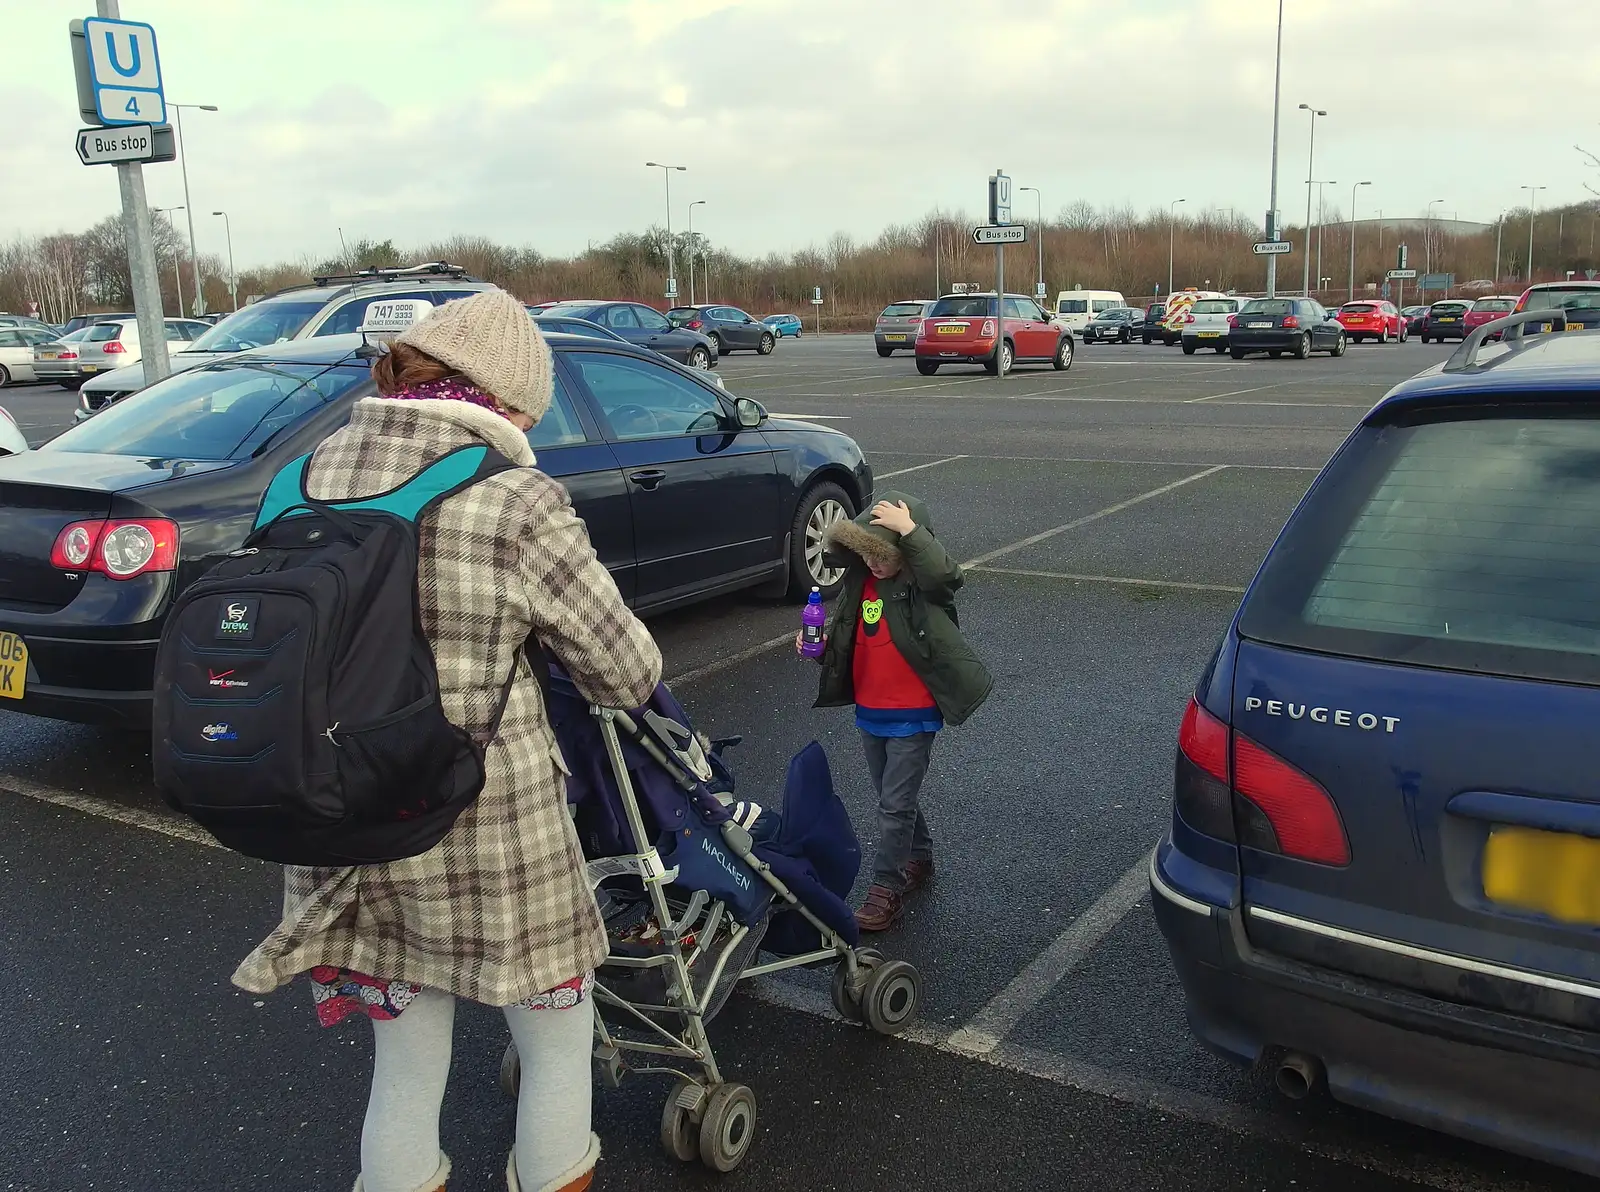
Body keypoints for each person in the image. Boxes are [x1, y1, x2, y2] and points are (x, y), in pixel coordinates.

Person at [232, 290, 662, 1192]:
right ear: (503, 403)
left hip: (341, 823)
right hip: (489, 832)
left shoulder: (299, 479)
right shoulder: (514, 498)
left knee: (404, 1070)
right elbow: (626, 672)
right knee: (555, 1044)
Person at [800, 491, 992, 932]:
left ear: (905, 552)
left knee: (893, 802)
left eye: (882, 555)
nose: (873, 563)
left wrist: (910, 531)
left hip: (913, 713)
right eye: (865, 554)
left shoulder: (920, 590)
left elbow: (946, 576)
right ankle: (918, 856)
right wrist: (819, 652)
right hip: (872, 711)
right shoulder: (860, 586)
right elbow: (852, 640)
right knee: (893, 797)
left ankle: (886, 888)